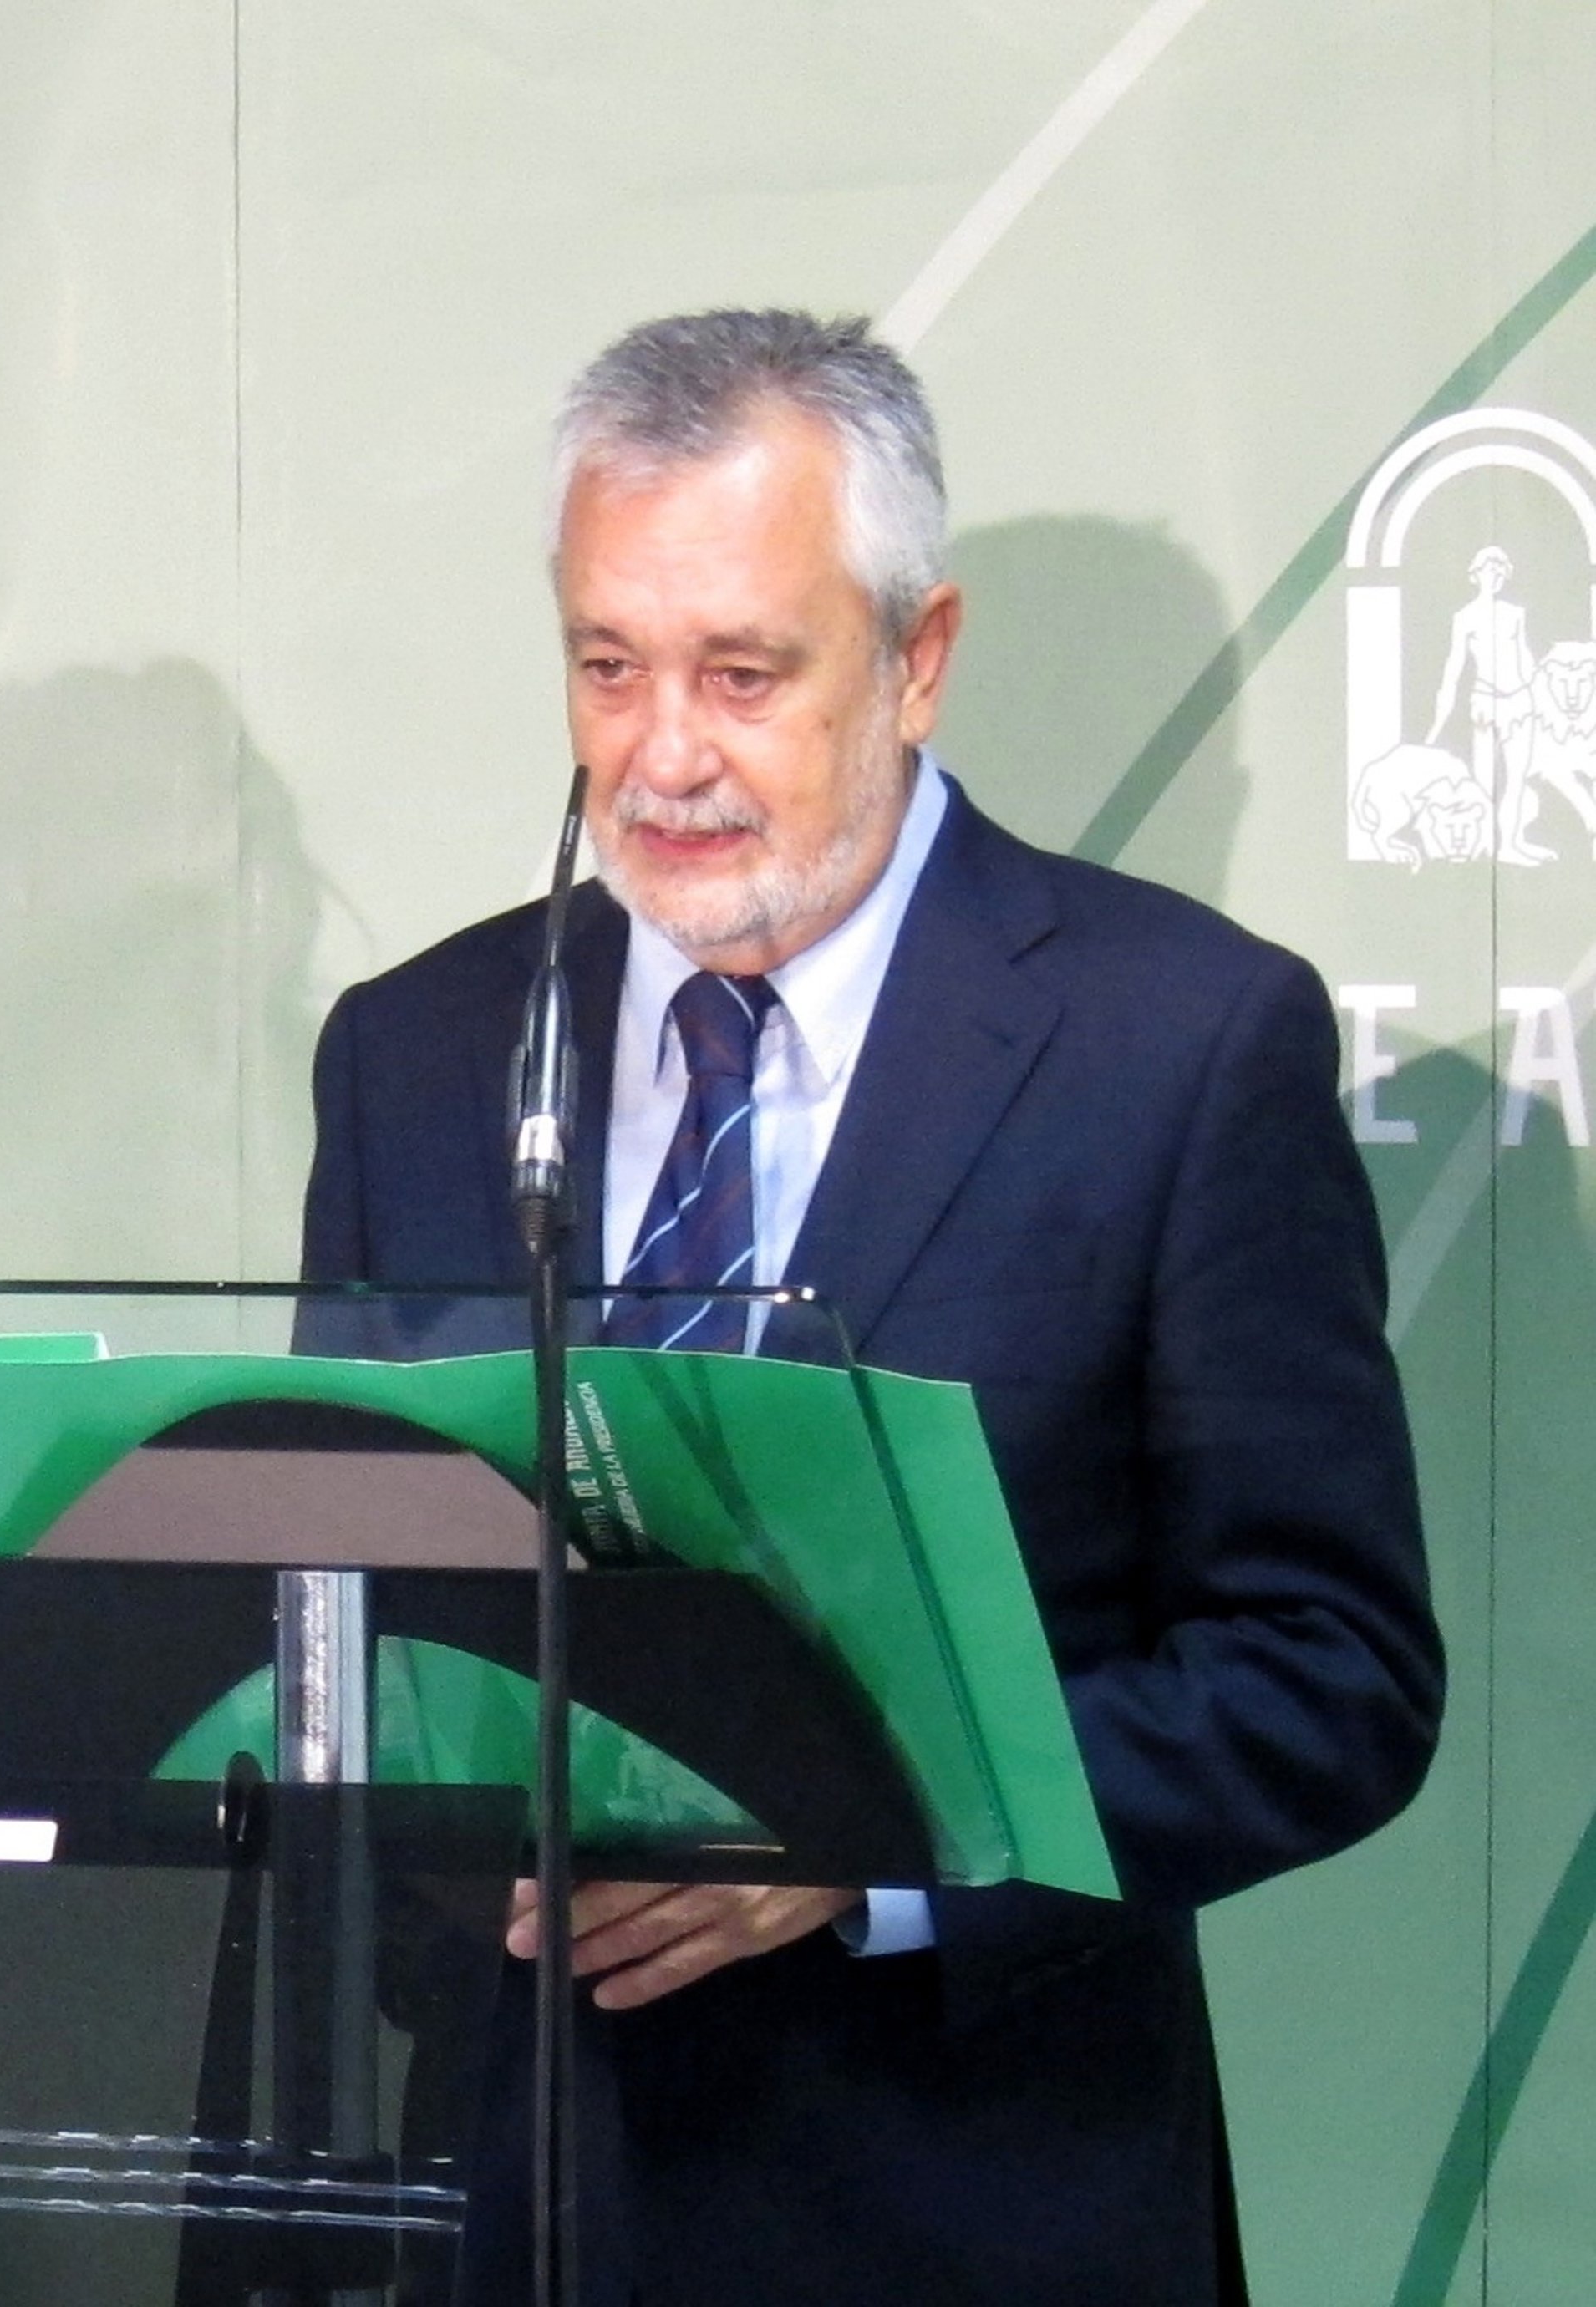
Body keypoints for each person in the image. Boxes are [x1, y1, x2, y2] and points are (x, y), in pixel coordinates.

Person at [301, 309, 1444, 2307]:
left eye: (742, 674)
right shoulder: (420, 1051)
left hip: (982, 2208)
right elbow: (339, 1612)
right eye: (607, 665)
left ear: (918, 657)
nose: (662, 755)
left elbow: (1328, 1675)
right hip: (523, 2202)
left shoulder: (1178, 1049)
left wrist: (875, 1838)